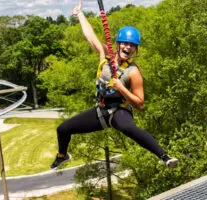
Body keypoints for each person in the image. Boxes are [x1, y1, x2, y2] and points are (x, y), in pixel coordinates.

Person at [50, 3, 179, 170]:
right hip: (101, 110)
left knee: (128, 128)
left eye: (132, 45)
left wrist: (122, 88)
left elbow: (139, 104)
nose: (128, 47)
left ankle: (165, 157)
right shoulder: (105, 56)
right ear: (118, 44)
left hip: (120, 111)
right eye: (124, 43)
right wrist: (80, 15)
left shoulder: (133, 72)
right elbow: (90, 37)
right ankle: (62, 156)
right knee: (63, 129)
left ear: (135, 49)